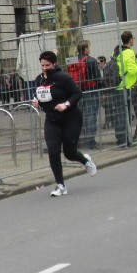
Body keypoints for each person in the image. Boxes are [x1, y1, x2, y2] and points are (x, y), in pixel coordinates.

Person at [31, 50, 97, 197]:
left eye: (47, 65)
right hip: (52, 120)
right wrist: (38, 102)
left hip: (70, 118)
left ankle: (85, 161)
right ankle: (60, 185)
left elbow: (77, 93)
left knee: (69, 153)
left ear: (54, 64)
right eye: (42, 65)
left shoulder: (63, 77)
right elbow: (44, 98)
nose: (44, 68)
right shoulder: (40, 79)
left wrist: (66, 104)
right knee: (53, 151)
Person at [75, 42, 101, 148]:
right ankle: (90, 142)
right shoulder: (91, 60)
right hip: (90, 91)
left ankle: (78, 141)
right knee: (91, 116)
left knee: (77, 117)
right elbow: (98, 78)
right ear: (85, 49)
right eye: (88, 47)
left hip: (76, 93)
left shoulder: (72, 61)